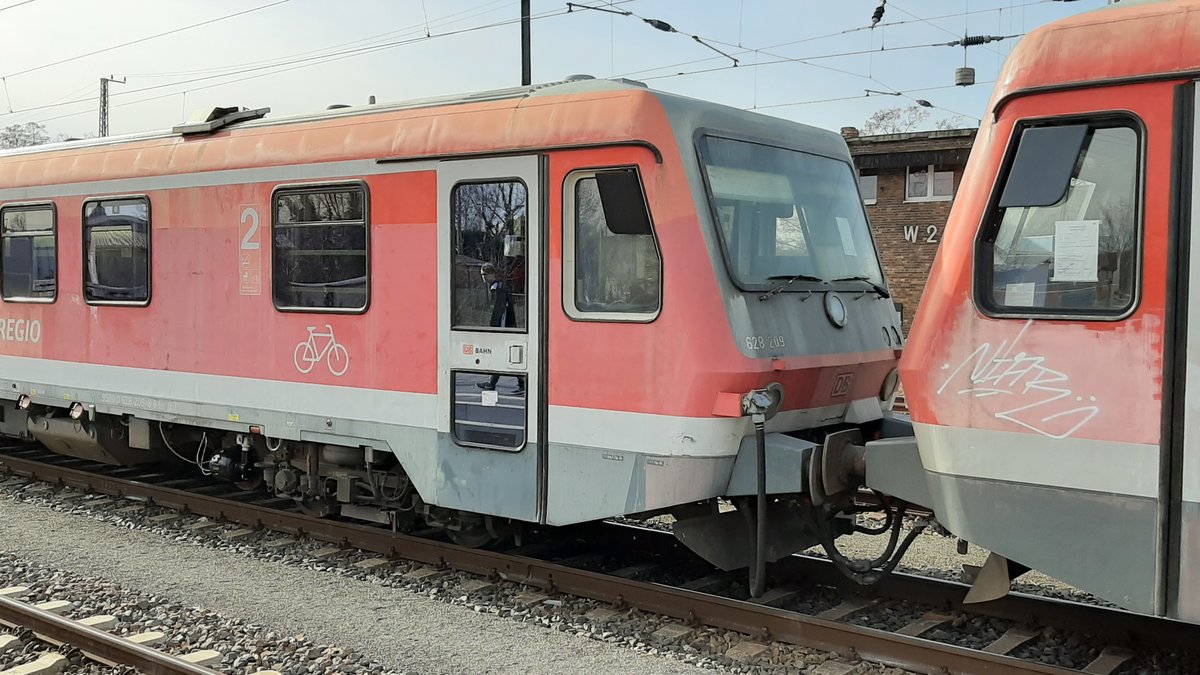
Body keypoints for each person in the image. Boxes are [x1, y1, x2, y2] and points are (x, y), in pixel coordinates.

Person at [476, 262, 524, 396]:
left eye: (485, 274)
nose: (483, 277)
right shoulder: (499, 287)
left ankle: (520, 383)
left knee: (502, 356)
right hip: (506, 327)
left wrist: (494, 330)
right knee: (503, 357)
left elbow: (498, 312)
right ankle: (495, 382)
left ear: (492, 274)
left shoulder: (497, 289)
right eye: (482, 275)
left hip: (503, 328)